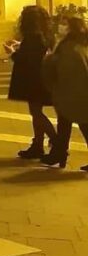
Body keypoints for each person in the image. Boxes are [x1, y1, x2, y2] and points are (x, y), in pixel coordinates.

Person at [7, 6, 56, 160]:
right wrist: (20, 45)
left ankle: (56, 142)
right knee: (36, 112)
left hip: (33, 80)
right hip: (41, 79)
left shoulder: (33, 36)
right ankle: (38, 144)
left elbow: (27, 59)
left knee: (36, 113)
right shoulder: (45, 35)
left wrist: (12, 53)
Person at [40, 16, 88, 170]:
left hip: (74, 92)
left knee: (80, 124)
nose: (60, 27)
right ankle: (59, 153)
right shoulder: (77, 45)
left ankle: (59, 154)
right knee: (66, 124)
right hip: (73, 92)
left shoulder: (70, 47)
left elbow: (63, 67)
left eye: (64, 24)